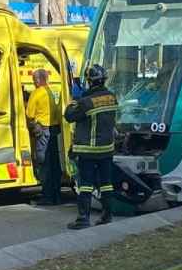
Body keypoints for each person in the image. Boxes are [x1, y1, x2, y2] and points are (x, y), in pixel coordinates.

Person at [64, 64, 117, 229]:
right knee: (106, 183)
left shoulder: (86, 102)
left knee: (85, 184)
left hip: (88, 150)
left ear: (89, 81)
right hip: (107, 148)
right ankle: (107, 215)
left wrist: (75, 100)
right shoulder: (112, 97)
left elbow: (69, 116)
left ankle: (83, 219)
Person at [27, 69, 62, 206]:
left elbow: (29, 114)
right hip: (55, 130)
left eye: (33, 80)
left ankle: (47, 197)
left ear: (37, 80)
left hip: (43, 131)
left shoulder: (36, 93)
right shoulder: (55, 92)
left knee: (44, 163)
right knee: (55, 164)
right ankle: (57, 196)